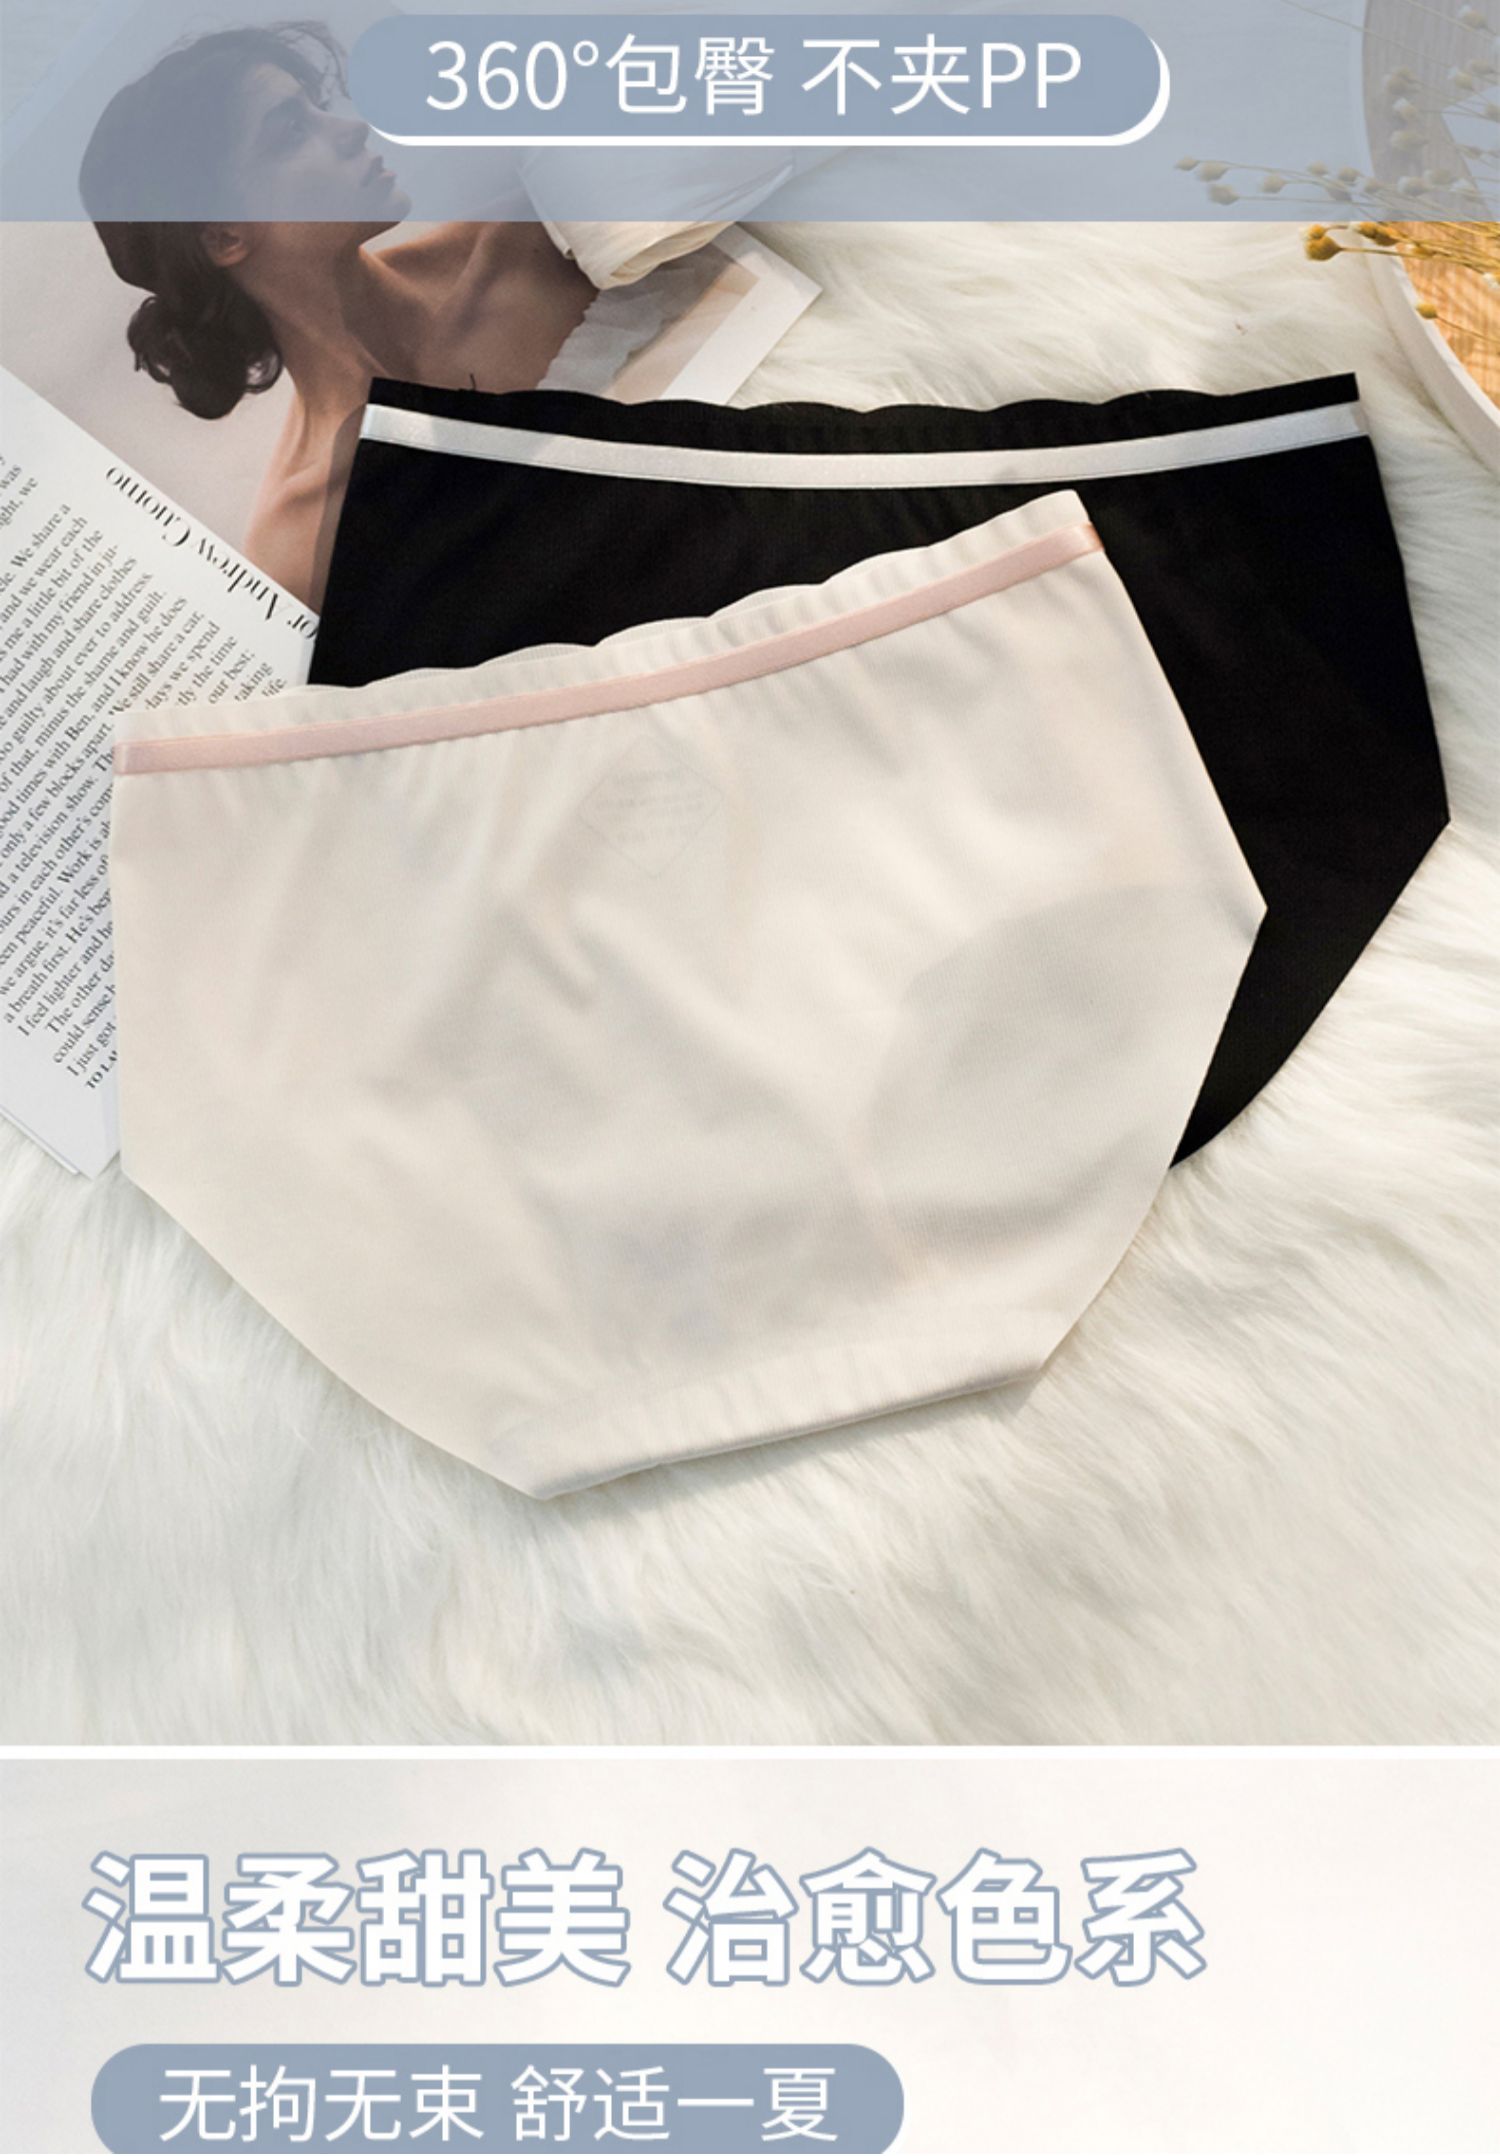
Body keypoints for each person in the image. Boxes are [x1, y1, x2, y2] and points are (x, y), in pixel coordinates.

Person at [81, 23, 598, 606]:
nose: (351, 129)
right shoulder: (297, 540)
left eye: (317, 107)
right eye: (291, 132)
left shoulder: (529, 243)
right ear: (224, 236)